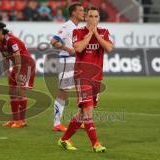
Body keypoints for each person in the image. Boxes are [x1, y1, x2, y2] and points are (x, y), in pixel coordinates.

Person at [58, 6, 113, 152]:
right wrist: (90, 34)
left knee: (82, 114)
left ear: (98, 18)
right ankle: (96, 144)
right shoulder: (78, 31)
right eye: (90, 16)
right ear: (86, 18)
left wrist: (97, 35)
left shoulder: (104, 32)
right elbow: (78, 48)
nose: (93, 19)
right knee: (88, 111)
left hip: (97, 78)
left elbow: (109, 48)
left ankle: (64, 139)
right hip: (82, 77)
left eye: (96, 16)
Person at [0, 21, 36, 128]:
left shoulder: (11, 40)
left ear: (0, 31)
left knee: (20, 91)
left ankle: (22, 121)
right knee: (12, 91)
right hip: (17, 65)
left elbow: (18, 57)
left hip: (26, 64)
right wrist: (7, 72)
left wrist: (18, 73)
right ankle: (15, 119)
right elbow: (5, 57)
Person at [50, 3, 84, 132]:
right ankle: (57, 123)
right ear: (73, 13)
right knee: (63, 92)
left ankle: (80, 120)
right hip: (66, 61)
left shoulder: (77, 27)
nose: (83, 13)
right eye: (80, 11)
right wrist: (67, 49)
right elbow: (53, 41)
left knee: (81, 91)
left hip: (76, 61)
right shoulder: (67, 26)